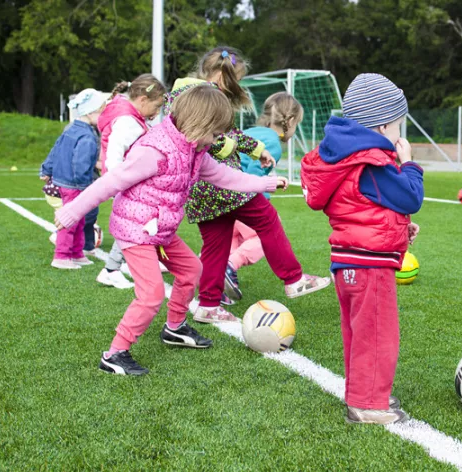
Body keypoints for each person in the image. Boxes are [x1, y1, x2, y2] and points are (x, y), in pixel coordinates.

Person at [54, 85, 287, 376]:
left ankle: (174, 328)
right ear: (199, 124)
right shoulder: (154, 151)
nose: (218, 141)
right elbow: (110, 182)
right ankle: (114, 354)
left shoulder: (195, 150)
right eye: (215, 134)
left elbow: (224, 176)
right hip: (136, 230)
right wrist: (72, 211)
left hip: (160, 231)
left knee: (192, 270)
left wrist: (264, 183)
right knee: (151, 294)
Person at [164, 47, 330, 324]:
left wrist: (257, 150)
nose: (236, 86)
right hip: (222, 183)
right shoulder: (202, 96)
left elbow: (228, 133)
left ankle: (208, 304)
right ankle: (294, 278)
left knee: (216, 245)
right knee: (267, 219)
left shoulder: (183, 93)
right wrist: (232, 147)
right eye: (235, 79)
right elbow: (208, 138)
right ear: (221, 75)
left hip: (200, 190)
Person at [301, 73, 424, 424]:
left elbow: (364, 206)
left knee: (359, 333)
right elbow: (410, 195)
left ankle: (363, 393)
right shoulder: (371, 161)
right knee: (376, 334)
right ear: (383, 125)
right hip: (369, 266)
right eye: (399, 125)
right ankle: (368, 404)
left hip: (350, 261)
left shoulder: (346, 158)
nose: (401, 134)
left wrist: (400, 229)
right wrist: (410, 164)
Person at [222, 92, 304, 304]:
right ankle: (230, 265)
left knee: (230, 239)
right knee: (263, 237)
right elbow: (253, 174)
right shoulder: (273, 144)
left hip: (221, 195)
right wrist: (265, 188)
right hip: (242, 198)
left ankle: (218, 282)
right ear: (291, 121)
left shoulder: (250, 131)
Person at [95, 74, 167, 290]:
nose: (156, 114)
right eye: (156, 107)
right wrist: (119, 181)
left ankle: (123, 265)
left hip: (128, 181)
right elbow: (115, 154)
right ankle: (111, 270)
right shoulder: (128, 122)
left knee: (141, 222)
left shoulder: (130, 116)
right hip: (127, 183)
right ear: (143, 100)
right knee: (134, 224)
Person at [40, 89, 106, 269]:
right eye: (102, 111)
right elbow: (81, 163)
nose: (103, 116)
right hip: (75, 184)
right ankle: (61, 256)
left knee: (79, 219)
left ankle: (76, 253)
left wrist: (46, 168)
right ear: (91, 112)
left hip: (65, 181)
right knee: (71, 219)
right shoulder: (87, 136)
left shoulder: (71, 129)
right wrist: (85, 186)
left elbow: (55, 149)